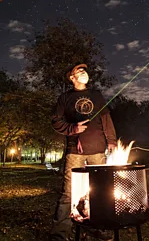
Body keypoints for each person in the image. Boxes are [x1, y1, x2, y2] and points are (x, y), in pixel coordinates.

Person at [49, 63, 117, 241]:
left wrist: (111, 140)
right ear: (72, 78)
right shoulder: (65, 98)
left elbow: (105, 118)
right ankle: (60, 234)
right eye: (79, 71)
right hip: (75, 151)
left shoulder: (96, 95)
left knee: (101, 190)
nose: (83, 73)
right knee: (68, 192)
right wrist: (71, 128)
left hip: (97, 150)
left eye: (84, 70)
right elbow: (55, 120)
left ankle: (101, 227)